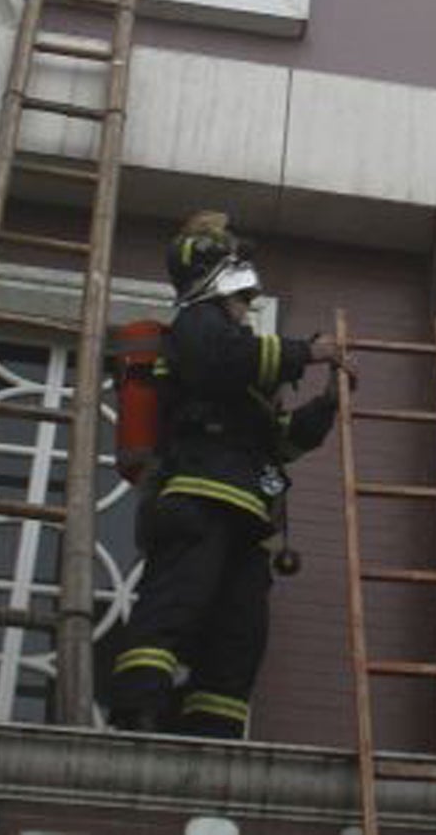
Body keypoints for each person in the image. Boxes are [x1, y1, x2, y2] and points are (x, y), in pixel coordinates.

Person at [102, 211, 344, 738]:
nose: (245, 308)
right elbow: (222, 362)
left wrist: (325, 406)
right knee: (174, 605)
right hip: (197, 499)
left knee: (240, 633)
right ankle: (135, 712)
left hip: (246, 515)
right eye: (241, 298)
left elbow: (278, 442)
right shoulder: (195, 324)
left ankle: (214, 731)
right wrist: (307, 351)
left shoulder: (239, 362)